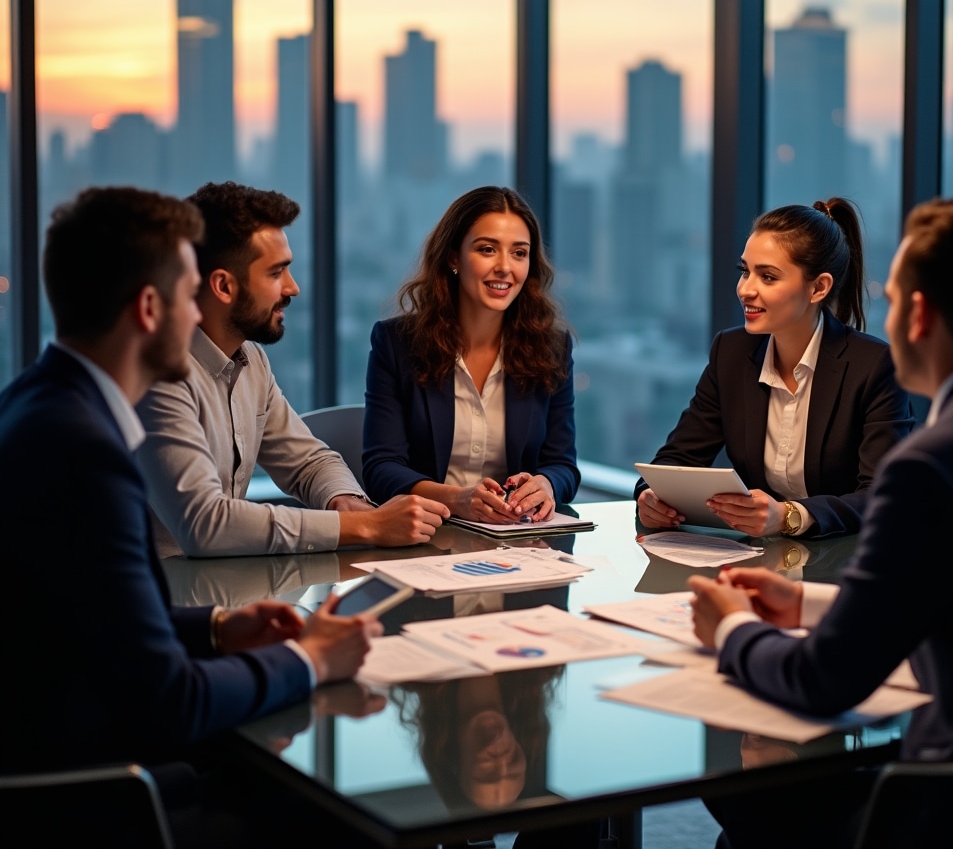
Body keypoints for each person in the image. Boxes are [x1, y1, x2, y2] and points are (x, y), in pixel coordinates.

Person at [0, 187, 380, 779]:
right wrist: (308, 660)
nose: (198, 315)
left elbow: (104, 618)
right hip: (90, 790)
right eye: (187, 294)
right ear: (151, 310)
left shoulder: (39, 405)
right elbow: (171, 701)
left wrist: (218, 626)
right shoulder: (85, 453)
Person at [689, 199, 953, 848]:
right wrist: (808, 601)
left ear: (920, 316)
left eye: (894, 300)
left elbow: (824, 681)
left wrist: (731, 628)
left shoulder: (929, 464)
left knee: (755, 806)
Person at [137, 181, 448, 557]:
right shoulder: (159, 374)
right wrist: (362, 526)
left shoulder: (250, 361)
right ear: (223, 286)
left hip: (219, 595)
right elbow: (205, 524)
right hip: (152, 602)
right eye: (275, 273)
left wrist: (347, 503)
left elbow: (308, 461)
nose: (293, 287)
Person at [636, 197, 913, 538]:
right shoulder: (732, 352)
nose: (745, 289)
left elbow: (882, 495)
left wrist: (790, 515)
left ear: (819, 287)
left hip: (847, 561)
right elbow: (675, 459)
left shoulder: (873, 366)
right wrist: (650, 497)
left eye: (767, 277)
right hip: (759, 560)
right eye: (745, 271)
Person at [362, 186, 579, 523]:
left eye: (519, 253)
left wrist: (546, 485)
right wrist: (457, 499)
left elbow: (563, 465)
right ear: (453, 257)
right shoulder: (397, 343)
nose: (505, 267)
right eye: (487, 249)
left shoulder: (552, 349)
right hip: (425, 537)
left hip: (517, 545)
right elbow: (380, 469)